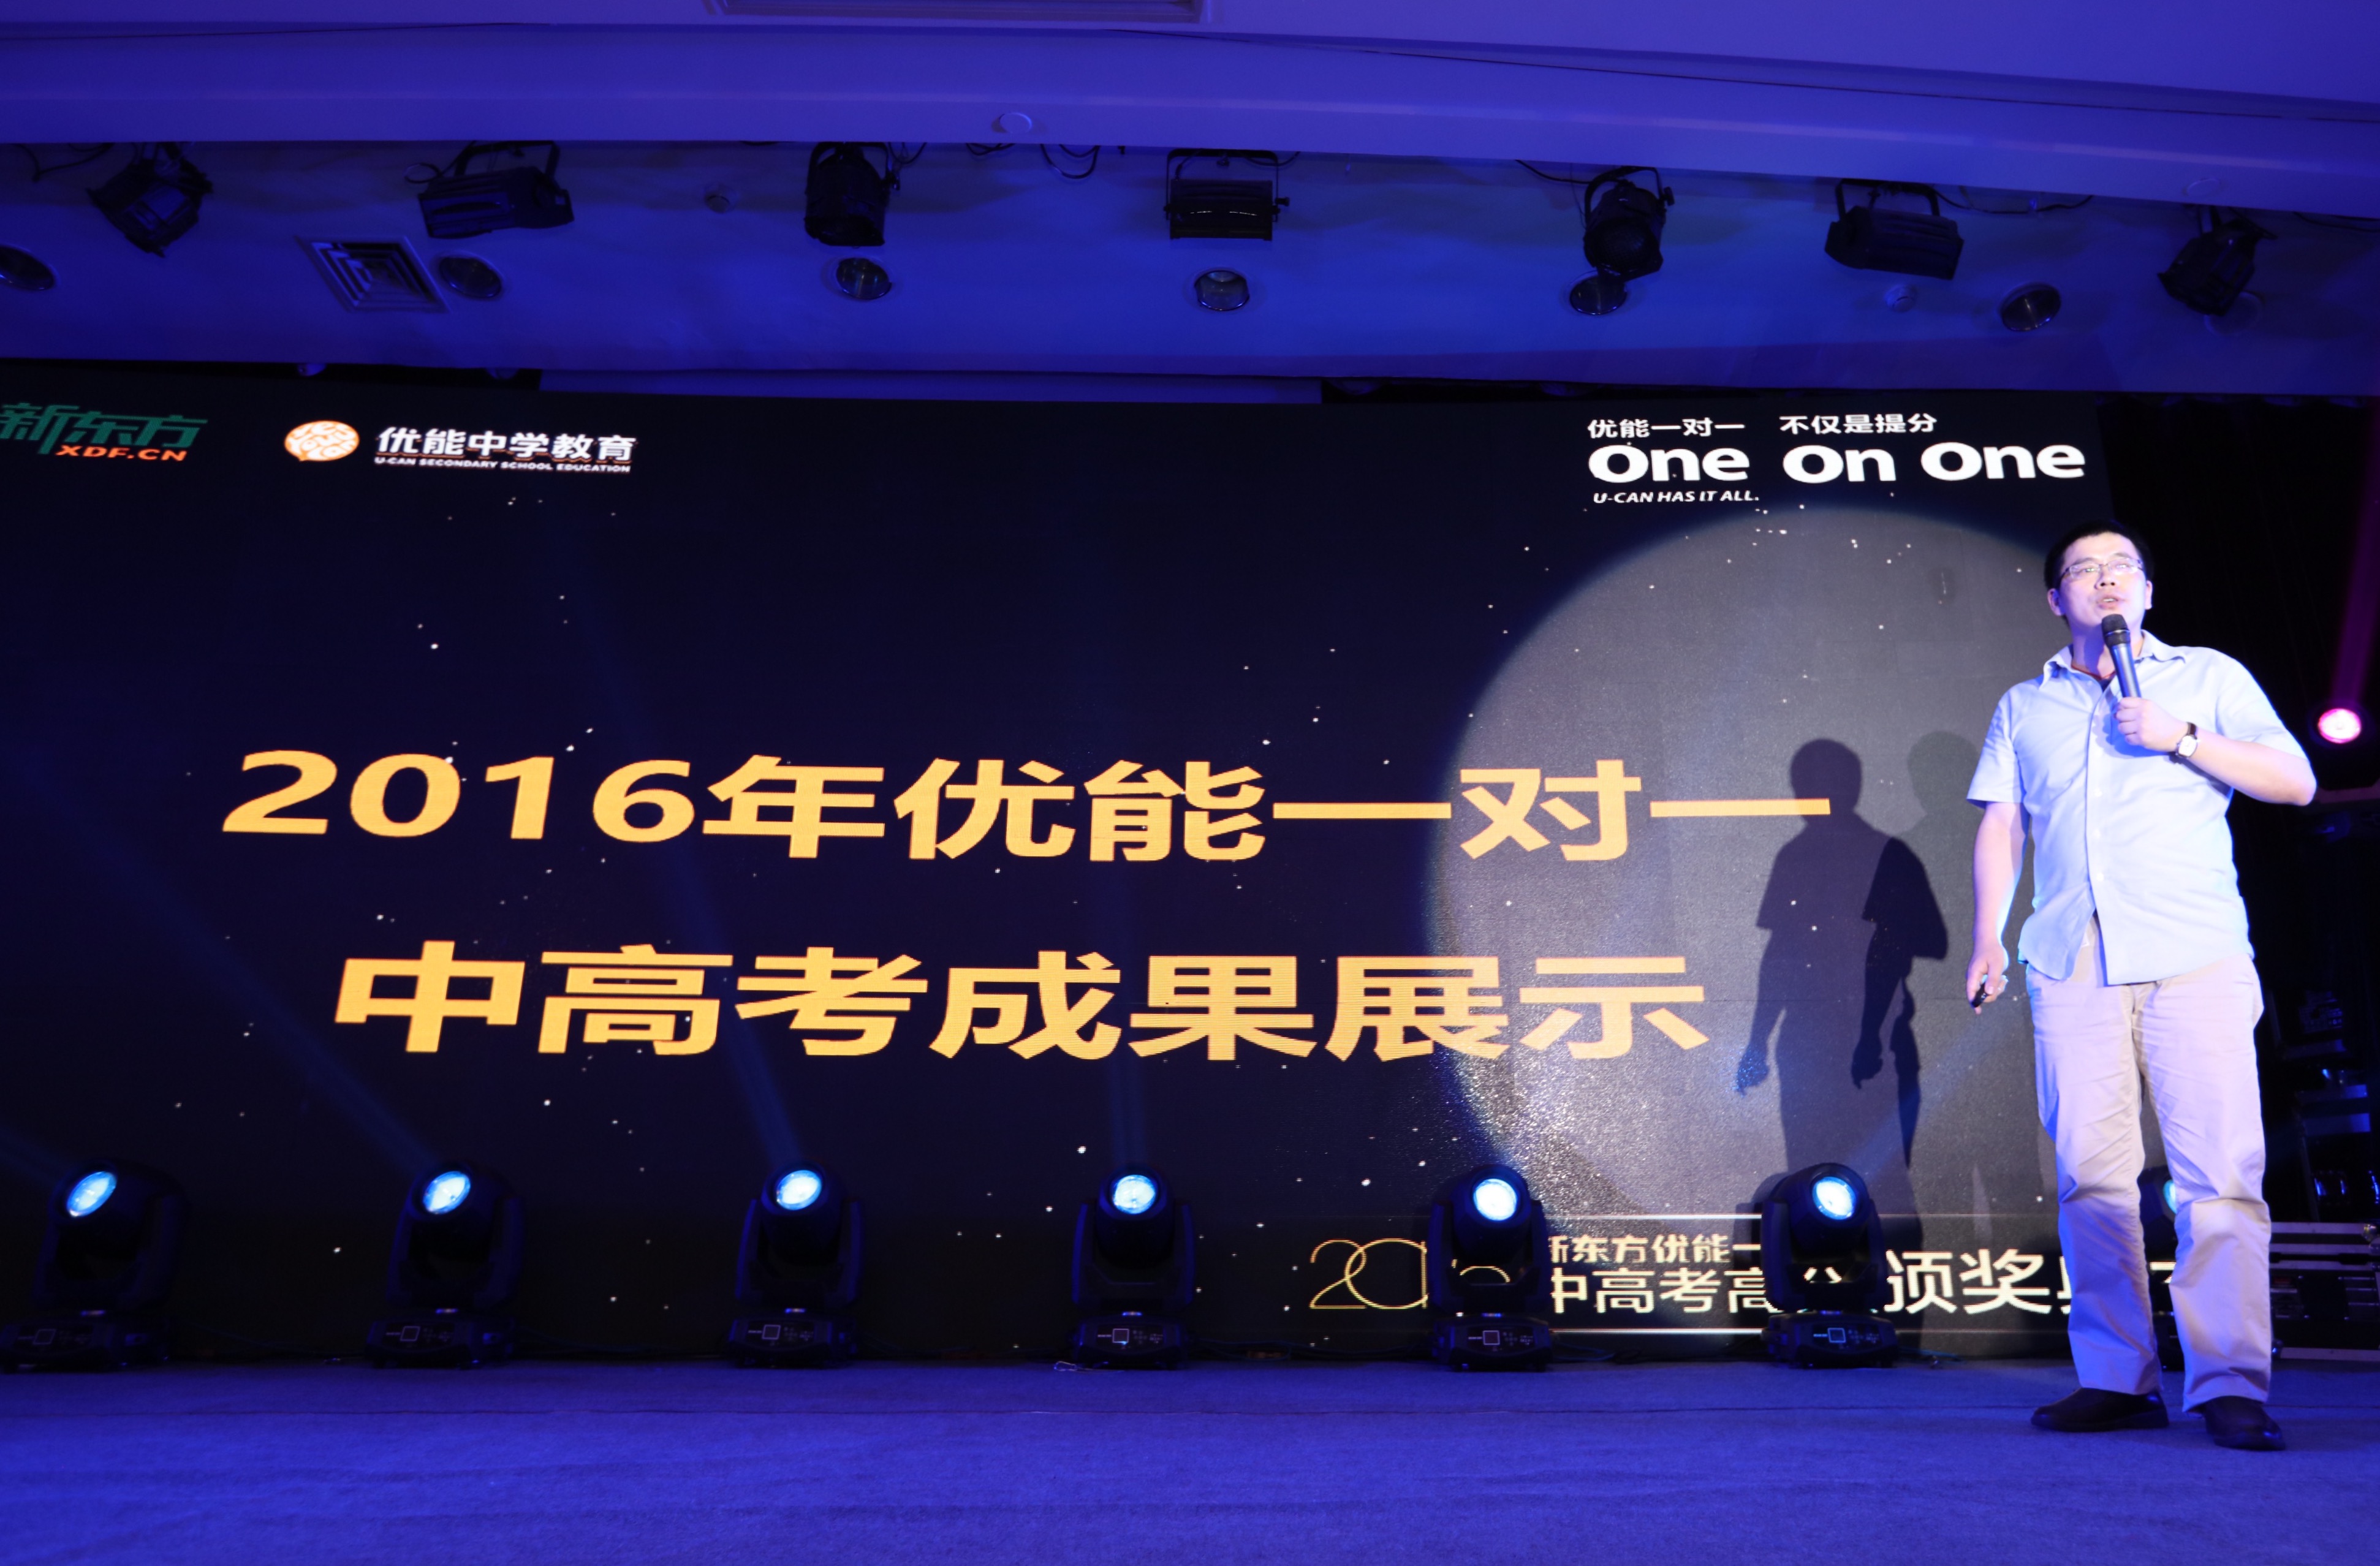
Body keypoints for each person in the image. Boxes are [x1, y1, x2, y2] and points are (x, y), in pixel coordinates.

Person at [1966, 522, 2314, 1452]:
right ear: (2057, 599)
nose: (2107, 580)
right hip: (2070, 959)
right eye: (2085, 571)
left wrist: (2183, 736)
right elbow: (2003, 824)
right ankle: (2117, 1376)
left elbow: (2295, 782)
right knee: (2090, 1178)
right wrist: (1988, 936)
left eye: (2123, 568)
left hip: (2193, 953)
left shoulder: (2208, 677)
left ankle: (2229, 1382)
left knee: (2220, 1179)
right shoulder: (2025, 704)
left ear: (2149, 591)